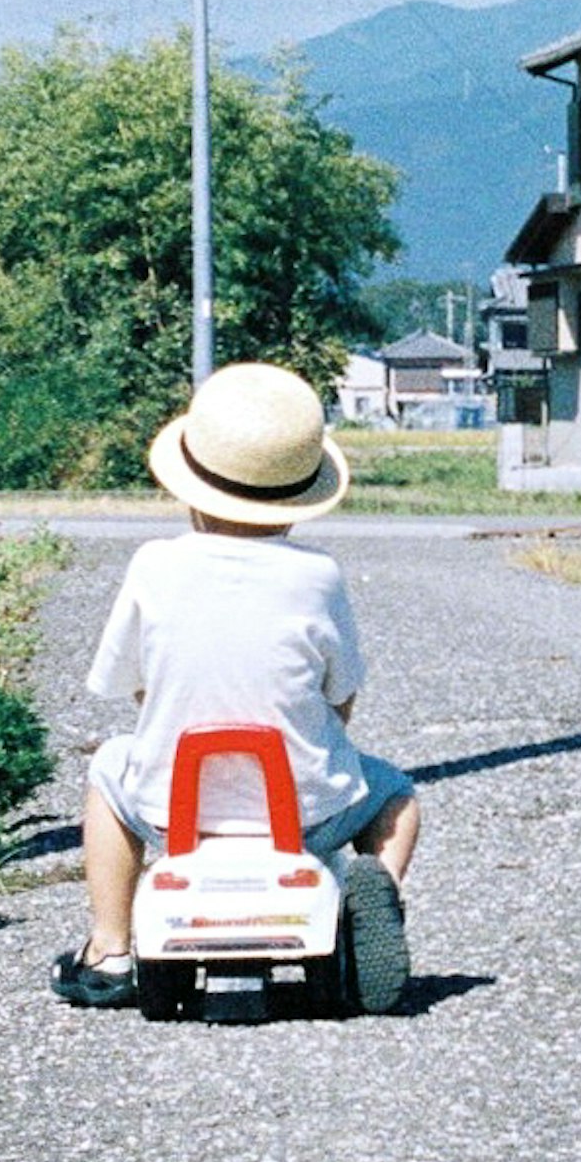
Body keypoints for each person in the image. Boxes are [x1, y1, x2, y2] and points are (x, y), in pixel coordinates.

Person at [53, 361, 419, 1011]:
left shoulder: (153, 564)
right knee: (394, 794)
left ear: (192, 490)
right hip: (304, 817)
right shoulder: (319, 576)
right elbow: (341, 699)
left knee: (109, 772)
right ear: (299, 498)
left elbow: (133, 687)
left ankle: (109, 950)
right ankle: (372, 903)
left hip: (174, 812)